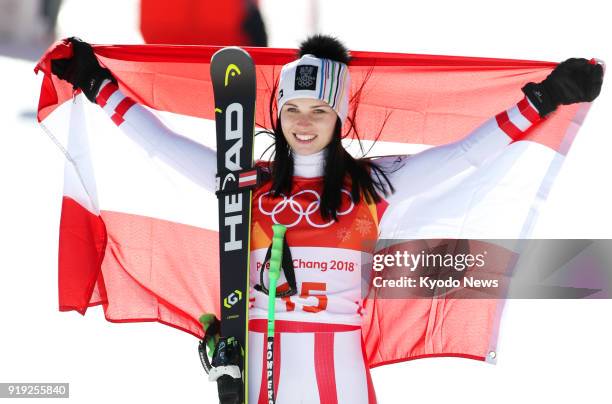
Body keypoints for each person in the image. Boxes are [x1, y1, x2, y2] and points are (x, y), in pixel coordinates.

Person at [50, 35, 602, 404]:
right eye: (293, 110)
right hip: (260, 368)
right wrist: (98, 85)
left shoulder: (372, 183)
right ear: (279, 114)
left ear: (338, 117)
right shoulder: (251, 185)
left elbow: (466, 155)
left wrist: (545, 98)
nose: (305, 123)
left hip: (339, 367)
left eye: (319, 111)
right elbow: (161, 148)